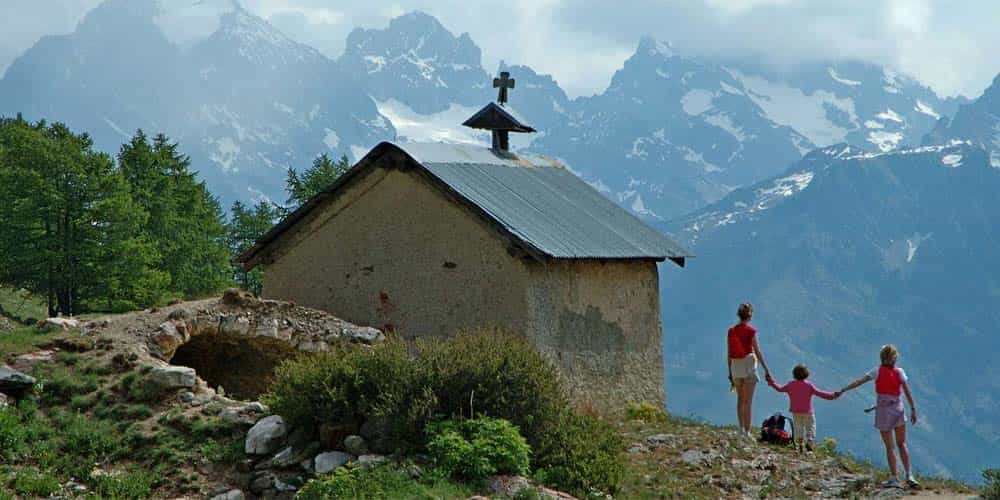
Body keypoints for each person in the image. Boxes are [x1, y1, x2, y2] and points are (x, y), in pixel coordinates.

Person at [839, 344, 919, 488]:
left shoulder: (876, 371)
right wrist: (913, 409)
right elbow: (907, 392)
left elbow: (859, 382)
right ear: (895, 358)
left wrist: (843, 390)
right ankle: (909, 475)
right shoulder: (899, 372)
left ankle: (894, 477)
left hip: (883, 411)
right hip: (898, 409)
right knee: (902, 443)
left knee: (890, 447)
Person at [765, 364, 838, 452]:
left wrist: (771, 382)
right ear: (806, 375)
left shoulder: (790, 385)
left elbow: (779, 389)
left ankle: (799, 444)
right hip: (808, 412)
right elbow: (820, 393)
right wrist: (832, 396)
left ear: (794, 374)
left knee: (798, 428)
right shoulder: (809, 386)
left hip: (796, 412)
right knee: (810, 427)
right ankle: (809, 440)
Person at [727, 302, 771, 440]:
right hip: (748, 365)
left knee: (740, 400)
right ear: (750, 316)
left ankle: (741, 429)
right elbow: (757, 351)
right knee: (748, 401)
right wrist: (766, 369)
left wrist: (730, 371)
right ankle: (747, 431)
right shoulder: (751, 331)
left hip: (735, 366)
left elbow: (729, 353)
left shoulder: (731, 331)